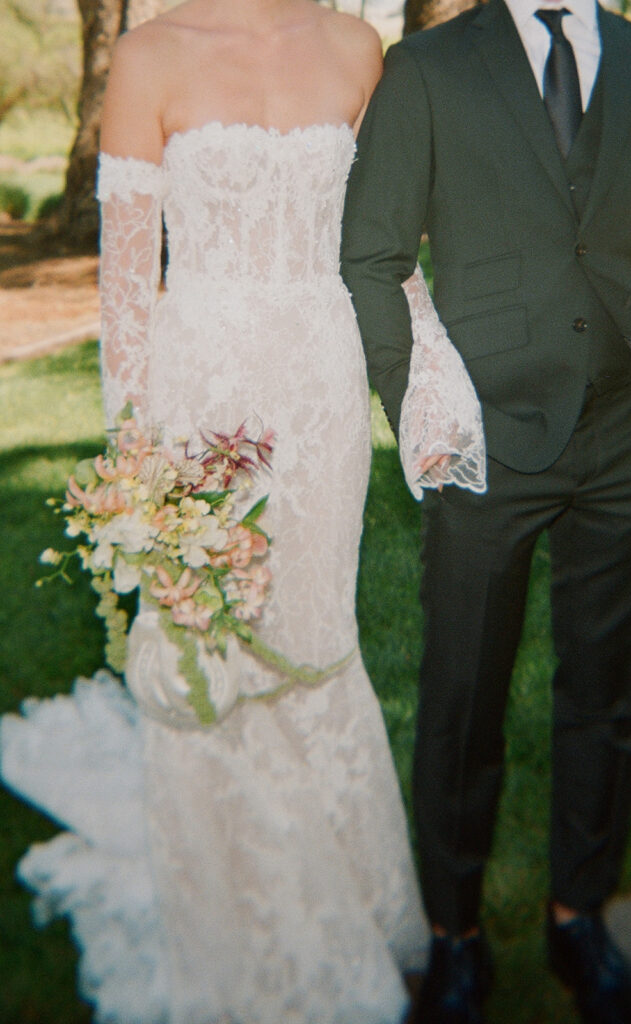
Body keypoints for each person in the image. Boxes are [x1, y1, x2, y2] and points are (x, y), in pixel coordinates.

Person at [0, 0, 489, 1019]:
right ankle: (234, 911)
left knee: (316, 632)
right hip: (199, 391)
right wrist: (138, 465)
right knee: (208, 631)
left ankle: (347, 889)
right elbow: (128, 288)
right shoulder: (148, 56)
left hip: (322, 387)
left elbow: (388, 249)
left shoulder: (361, 48)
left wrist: (433, 383)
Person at [340, 0, 631, 1021]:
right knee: (463, 694)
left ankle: (579, 920)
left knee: (610, 687)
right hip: (485, 438)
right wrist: (418, 407)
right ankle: (456, 934)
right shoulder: (425, 67)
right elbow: (372, 255)